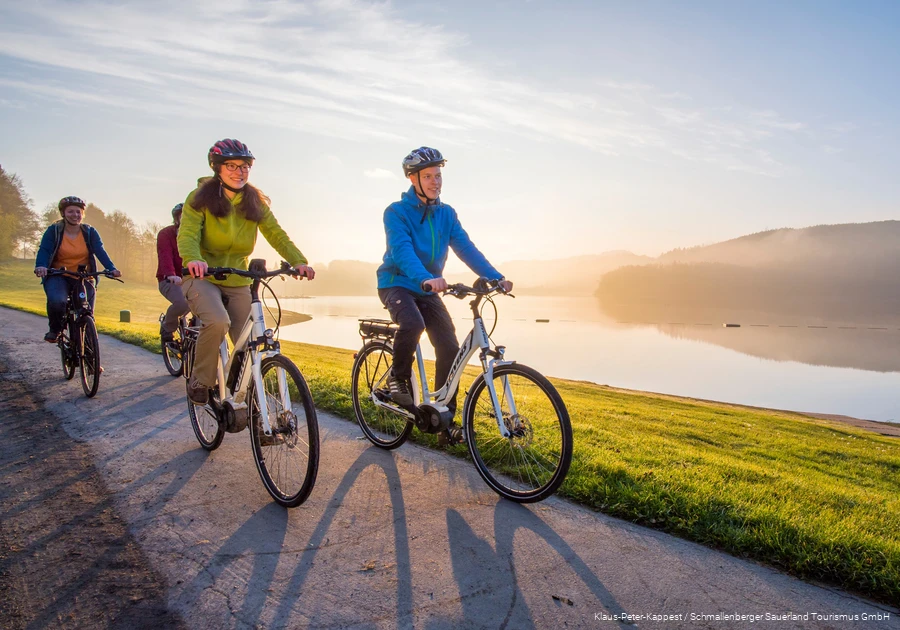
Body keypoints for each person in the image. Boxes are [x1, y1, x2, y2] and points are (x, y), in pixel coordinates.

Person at [376, 147, 513, 444]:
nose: (435, 181)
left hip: (428, 287)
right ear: (413, 179)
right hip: (397, 283)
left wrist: (495, 277)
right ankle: (397, 377)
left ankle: (444, 419)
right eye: (428, 176)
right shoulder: (396, 213)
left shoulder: (446, 214)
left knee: (449, 347)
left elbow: (465, 248)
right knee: (413, 325)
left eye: (438, 175)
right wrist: (426, 278)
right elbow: (402, 252)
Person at [178, 138, 314, 405]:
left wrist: (298, 260)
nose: (239, 171)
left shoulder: (254, 201)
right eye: (231, 165)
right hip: (202, 277)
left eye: (245, 166)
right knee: (218, 321)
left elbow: (277, 234)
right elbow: (188, 235)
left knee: (251, 340)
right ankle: (201, 380)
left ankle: (249, 405)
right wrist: (193, 258)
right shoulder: (199, 199)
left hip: (238, 278)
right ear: (217, 167)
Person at [34, 196, 121, 342]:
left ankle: (91, 360)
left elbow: (100, 251)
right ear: (63, 214)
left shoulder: (89, 232)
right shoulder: (54, 231)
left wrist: (111, 268)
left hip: (83, 276)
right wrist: (41, 266)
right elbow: (44, 250)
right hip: (59, 275)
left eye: (78, 212)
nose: (75, 215)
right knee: (57, 301)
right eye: (70, 212)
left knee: (87, 313)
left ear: (82, 214)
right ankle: (56, 329)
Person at [156, 203, 189, 342]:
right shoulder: (166, 234)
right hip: (169, 280)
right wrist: (171, 274)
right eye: (184, 216)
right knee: (183, 303)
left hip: (191, 280)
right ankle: (167, 326)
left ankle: (193, 335)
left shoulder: (198, 235)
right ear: (177, 219)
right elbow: (165, 255)